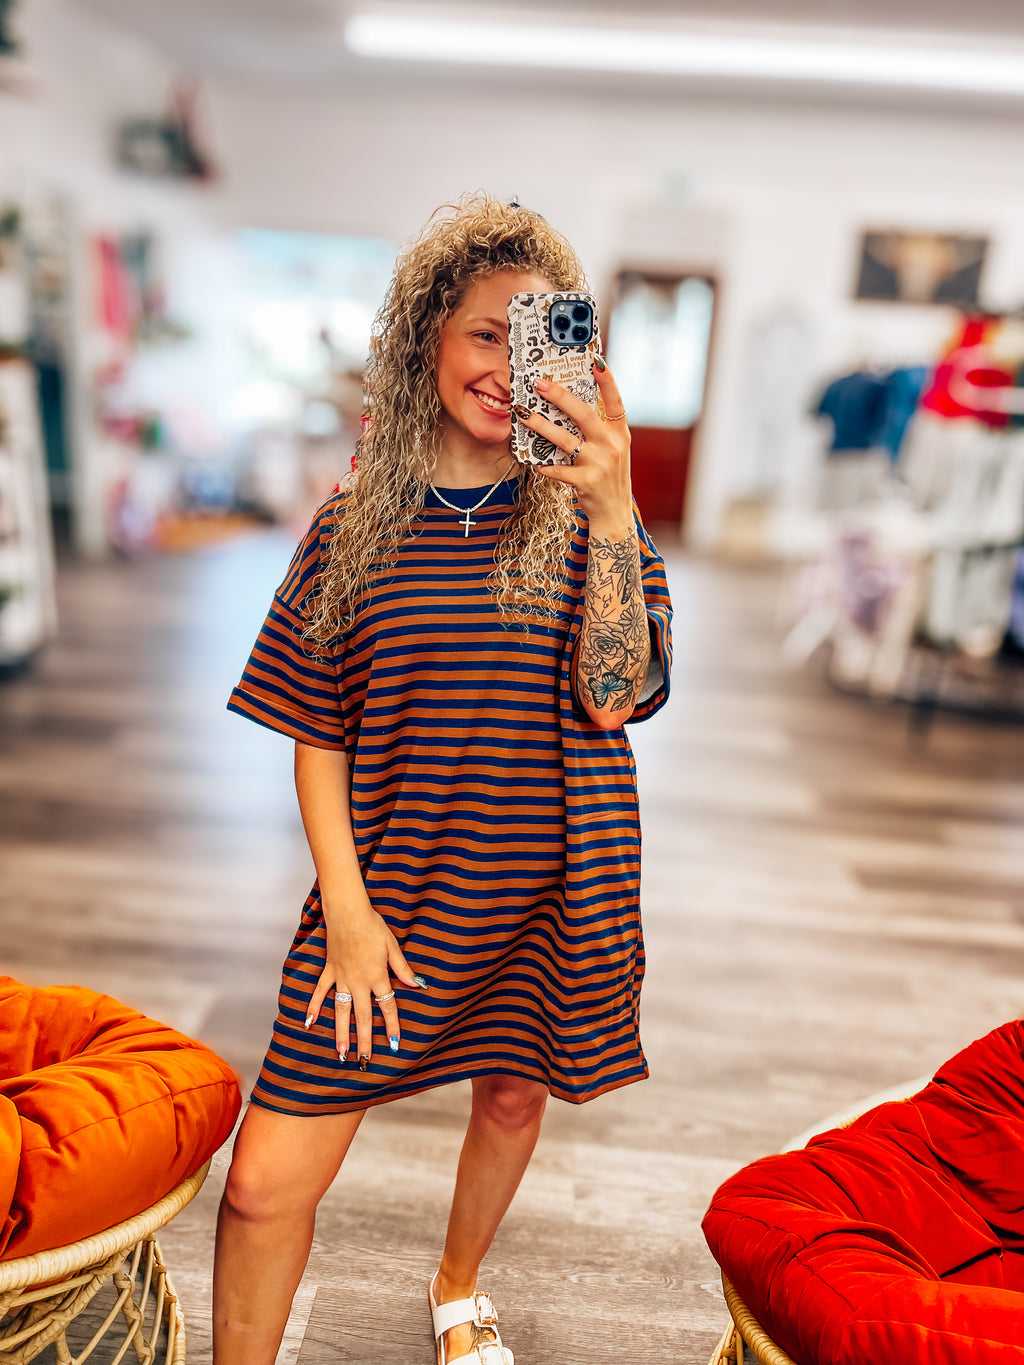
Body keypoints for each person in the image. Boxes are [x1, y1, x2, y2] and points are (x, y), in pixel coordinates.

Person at [214, 193, 673, 1365]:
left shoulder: (591, 523)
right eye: (486, 332)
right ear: (428, 334)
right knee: (264, 1185)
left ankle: (458, 1283)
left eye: (539, 340)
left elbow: (617, 696)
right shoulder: (350, 525)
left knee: (513, 1097)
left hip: (549, 884)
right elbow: (313, 729)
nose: (506, 368)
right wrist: (352, 923)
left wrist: (614, 508)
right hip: (392, 893)